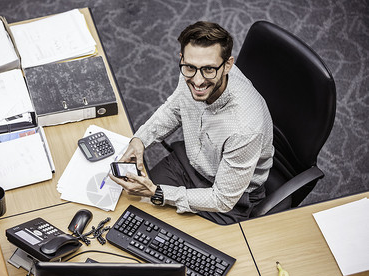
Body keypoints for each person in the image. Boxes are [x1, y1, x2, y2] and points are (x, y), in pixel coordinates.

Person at [109, 21, 274, 225]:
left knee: (179, 244)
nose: (197, 81)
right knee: (130, 211)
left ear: (228, 65)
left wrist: (159, 193)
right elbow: (176, 108)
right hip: (191, 163)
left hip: (230, 197)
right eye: (190, 67)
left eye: (208, 70)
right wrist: (140, 140)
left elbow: (222, 199)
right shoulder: (192, 68)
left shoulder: (244, 128)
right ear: (183, 59)